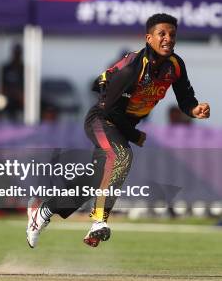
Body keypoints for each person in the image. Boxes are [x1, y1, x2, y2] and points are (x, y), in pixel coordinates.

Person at [26, 13, 210, 248]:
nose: (168, 39)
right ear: (148, 38)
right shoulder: (133, 69)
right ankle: (98, 222)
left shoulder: (175, 65)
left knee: (94, 182)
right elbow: (109, 109)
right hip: (102, 119)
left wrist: (195, 109)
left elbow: (185, 97)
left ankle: (42, 211)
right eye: (161, 34)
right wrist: (134, 136)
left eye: (172, 35)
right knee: (121, 156)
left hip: (121, 126)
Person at [0, 44, 24, 121]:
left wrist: (21, 95)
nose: (16, 55)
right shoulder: (6, 68)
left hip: (21, 98)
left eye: (18, 53)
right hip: (8, 96)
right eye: (15, 53)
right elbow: (2, 85)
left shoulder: (24, 68)